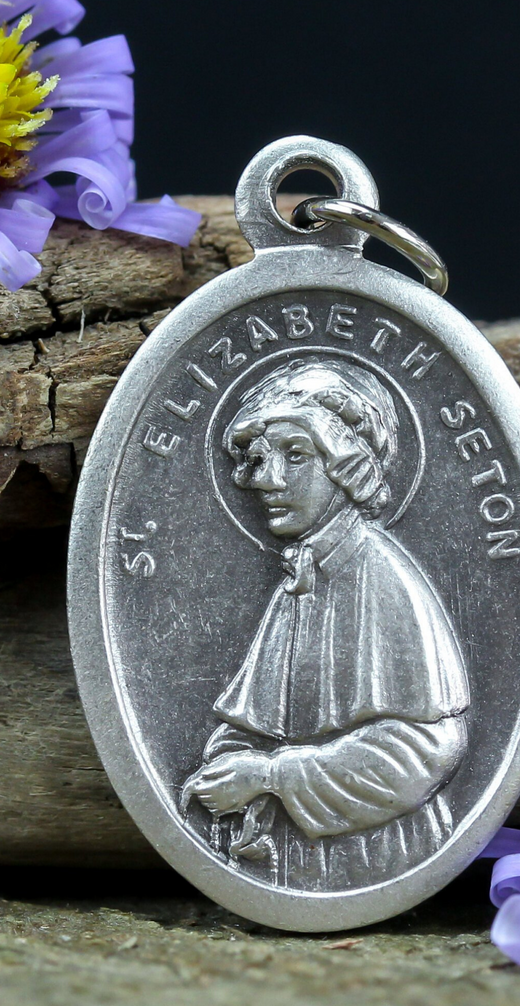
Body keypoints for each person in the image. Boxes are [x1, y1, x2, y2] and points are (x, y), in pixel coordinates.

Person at [181, 358, 470, 888]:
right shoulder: (298, 583)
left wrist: (268, 775)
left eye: (295, 455)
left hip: (378, 854)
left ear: (347, 465)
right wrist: (229, 763)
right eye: (262, 459)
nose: (267, 480)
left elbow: (426, 749)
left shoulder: (383, 578)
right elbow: (249, 724)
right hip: (292, 858)